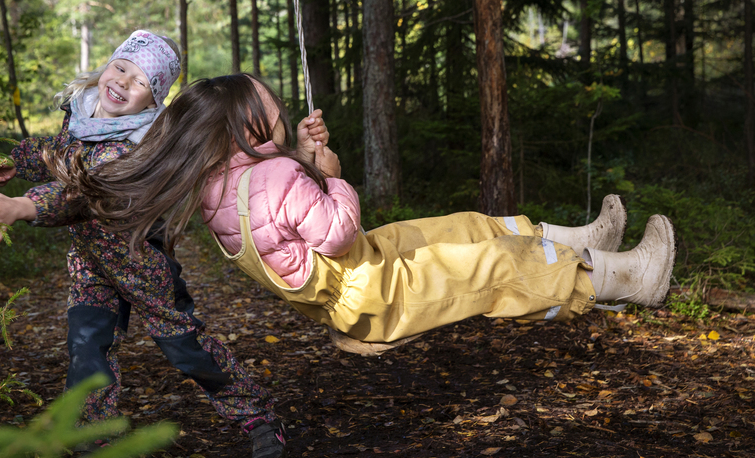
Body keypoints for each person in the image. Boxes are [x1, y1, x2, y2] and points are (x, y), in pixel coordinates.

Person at [48, 73, 676, 355]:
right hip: (374, 288)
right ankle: (619, 279)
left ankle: (577, 239)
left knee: (459, 227)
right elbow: (338, 227)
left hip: (363, 273)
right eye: (273, 104)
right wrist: (333, 174)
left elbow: (282, 211)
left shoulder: (221, 186)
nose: (283, 106)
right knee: (489, 268)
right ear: (249, 127)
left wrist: (304, 160)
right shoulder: (276, 174)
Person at [0, 37, 288, 458]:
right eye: (121, 67)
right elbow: (58, 152)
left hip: (140, 262)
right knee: (87, 348)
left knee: (185, 347)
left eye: (140, 81)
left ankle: (257, 417)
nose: (123, 82)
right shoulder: (82, 112)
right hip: (90, 265)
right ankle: (91, 442)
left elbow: (81, 193)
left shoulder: (136, 145)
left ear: (154, 98)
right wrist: (17, 159)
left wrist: (23, 206)